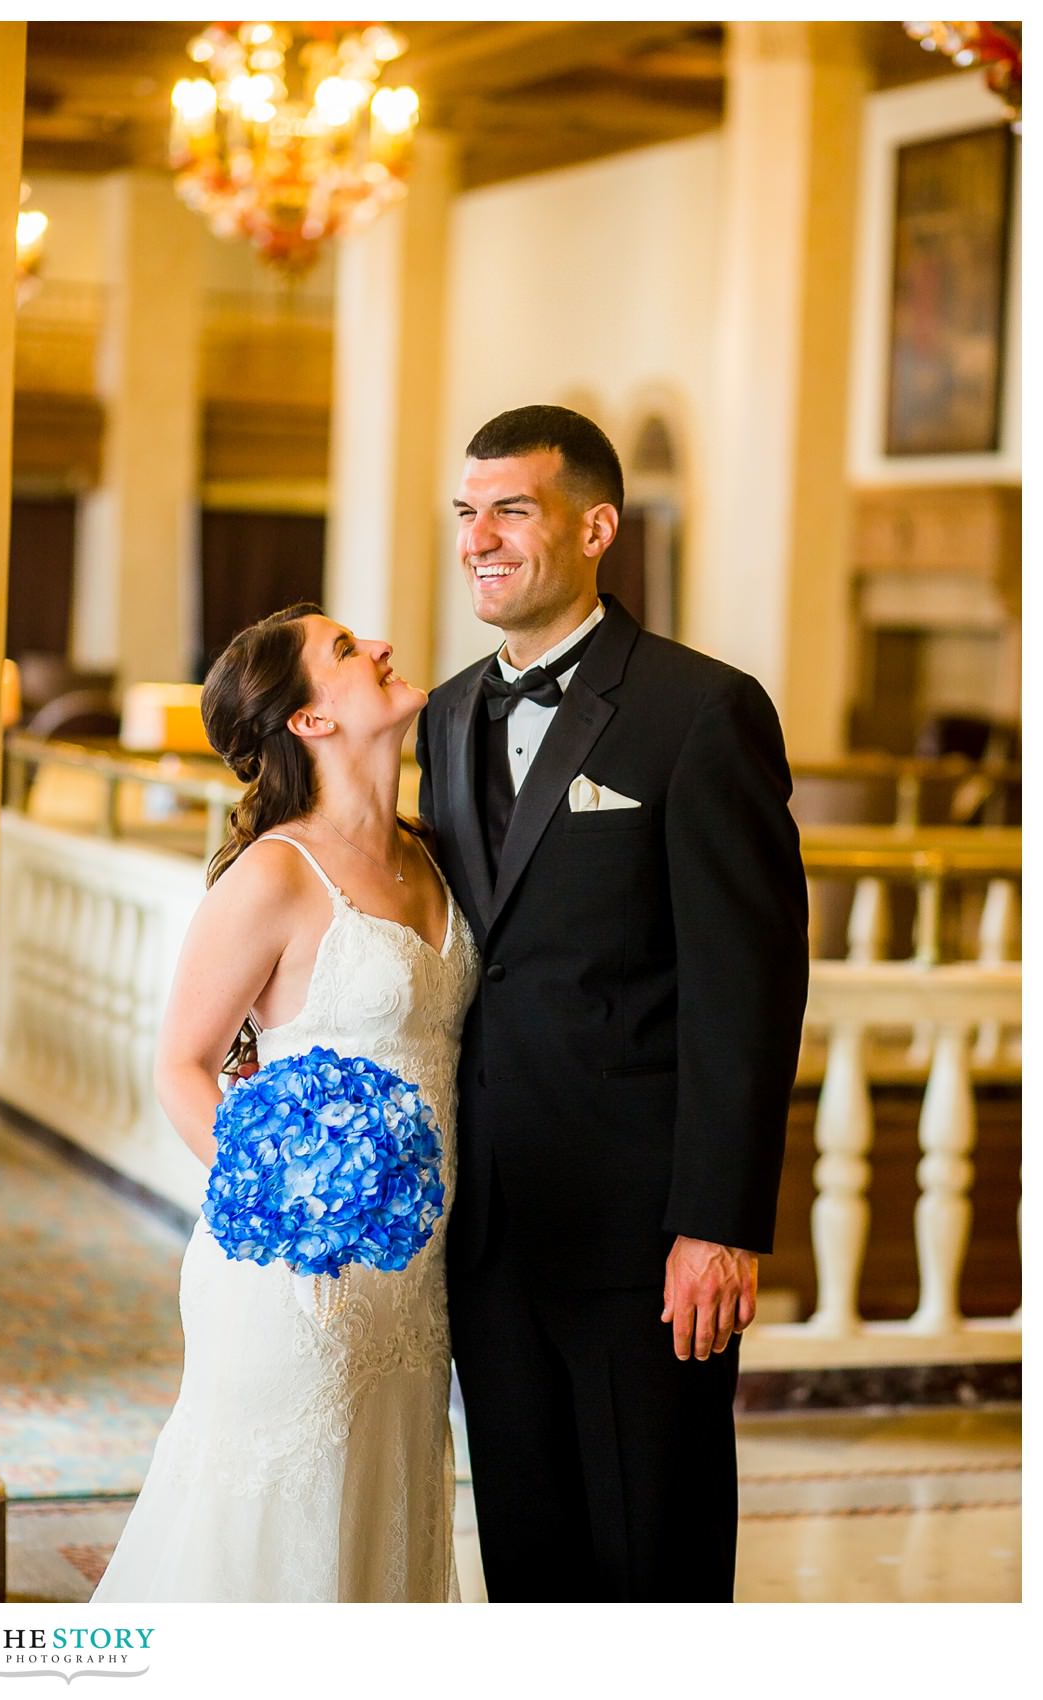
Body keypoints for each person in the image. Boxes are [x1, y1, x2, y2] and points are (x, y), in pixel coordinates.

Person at [415, 406, 809, 1603]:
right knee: (529, 1560)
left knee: (657, 1560)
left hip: (646, 1237)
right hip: (488, 1229)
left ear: (596, 526)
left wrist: (718, 1222)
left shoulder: (701, 710)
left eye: (511, 510)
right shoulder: (441, 714)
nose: (480, 538)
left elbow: (750, 988)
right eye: (467, 513)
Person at [92, 603, 479, 1603]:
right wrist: (283, 1193)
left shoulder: (436, 854)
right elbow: (182, 1061)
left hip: (415, 1285)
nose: (383, 644)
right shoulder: (276, 873)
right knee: (275, 1547)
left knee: (379, 1530)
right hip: (296, 1282)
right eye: (348, 650)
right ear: (308, 720)